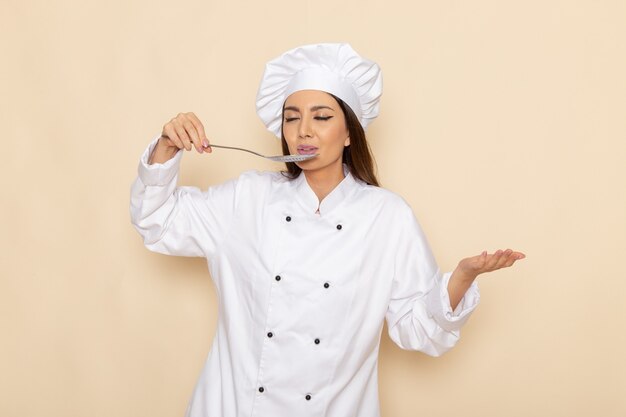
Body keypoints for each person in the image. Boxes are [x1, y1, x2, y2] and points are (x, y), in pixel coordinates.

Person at [130, 43, 524, 417]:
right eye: (291, 117)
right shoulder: (247, 200)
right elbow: (157, 219)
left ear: (350, 132)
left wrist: (460, 279)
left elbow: (418, 329)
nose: (303, 131)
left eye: (321, 117)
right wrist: (167, 146)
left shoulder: (386, 217)